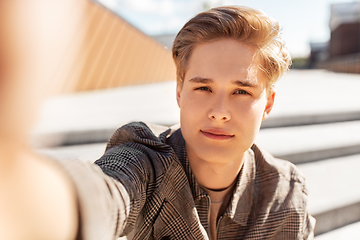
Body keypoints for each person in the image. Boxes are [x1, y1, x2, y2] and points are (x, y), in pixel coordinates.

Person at [0, 4, 315, 240]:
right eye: (203, 88)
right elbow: (105, 190)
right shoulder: (145, 162)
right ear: (180, 92)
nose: (220, 111)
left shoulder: (285, 193)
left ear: (268, 104)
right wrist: (19, 183)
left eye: (241, 91)